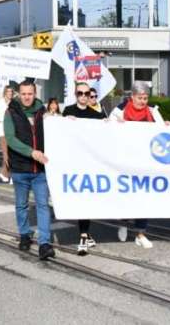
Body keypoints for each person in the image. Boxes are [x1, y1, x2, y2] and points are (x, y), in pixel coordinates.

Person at [110, 82, 165, 249]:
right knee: (127, 194)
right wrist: (115, 126)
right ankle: (124, 223)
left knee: (143, 196)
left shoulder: (153, 111)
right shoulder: (119, 110)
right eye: (140, 98)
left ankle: (141, 233)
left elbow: (163, 130)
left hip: (146, 161)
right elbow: (107, 129)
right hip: (125, 160)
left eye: (145, 98)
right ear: (132, 97)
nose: (143, 101)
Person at [5, 80, 54, 260]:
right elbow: (10, 139)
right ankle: (25, 235)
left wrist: (66, 121)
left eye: (30, 93)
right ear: (19, 94)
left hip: (40, 169)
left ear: (35, 94)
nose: (27, 97)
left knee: (43, 205)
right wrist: (31, 152)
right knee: (21, 204)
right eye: (24, 93)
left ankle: (44, 243)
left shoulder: (42, 111)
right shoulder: (11, 111)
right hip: (20, 168)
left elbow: (57, 127)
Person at [62, 82, 107, 255]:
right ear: (75, 94)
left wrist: (108, 124)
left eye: (86, 93)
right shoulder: (68, 111)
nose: (83, 96)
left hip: (89, 163)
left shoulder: (95, 114)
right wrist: (64, 122)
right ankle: (85, 234)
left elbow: (103, 136)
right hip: (73, 163)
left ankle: (83, 234)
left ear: (90, 95)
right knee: (77, 198)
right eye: (80, 93)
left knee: (86, 199)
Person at [0, 86, 14, 183]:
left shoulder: (14, 102)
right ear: (5, 92)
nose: (10, 93)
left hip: (13, 131)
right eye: (8, 91)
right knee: (6, 154)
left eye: (11, 91)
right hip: (3, 131)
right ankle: (10, 175)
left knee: (11, 153)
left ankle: (4, 173)